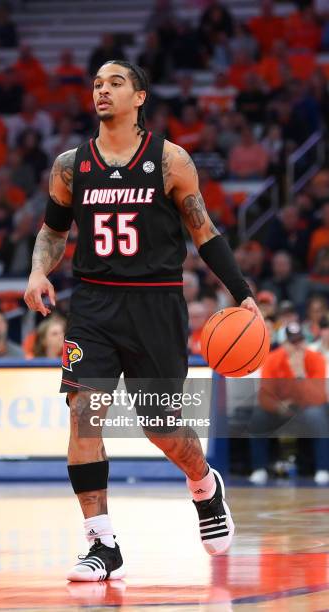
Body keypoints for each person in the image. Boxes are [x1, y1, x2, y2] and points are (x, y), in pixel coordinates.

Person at [24, 60, 260, 582]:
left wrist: (242, 293)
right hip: (93, 306)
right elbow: (51, 230)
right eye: (96, 84)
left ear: (140, 97)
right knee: (85, 413)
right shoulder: (70, 165)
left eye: (114, 83)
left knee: (161, 428)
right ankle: (102, 543)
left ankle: (203, 485)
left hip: (156, 304)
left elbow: (205, 232)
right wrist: (39, 270)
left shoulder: (171, 160)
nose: (102, 90)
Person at [248, 322, 329, 486]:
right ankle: (259, 469)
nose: (297, 346)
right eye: (292, 342)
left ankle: (323, 468)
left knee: (317, 415)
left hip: (306, 408)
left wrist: (300, 374)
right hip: (281, 409)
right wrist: (279, 406)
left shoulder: (316, 359)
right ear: (284, 344)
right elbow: (264, 395)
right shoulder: (272, 359)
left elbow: (319, 397)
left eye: (300, 341)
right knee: (258, 417)